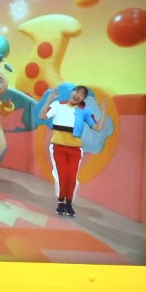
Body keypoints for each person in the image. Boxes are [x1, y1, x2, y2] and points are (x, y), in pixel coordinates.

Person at [40, 84, 102, 217]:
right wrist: (49, 99)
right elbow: (42, 116)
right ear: (72, 92)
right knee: (61, 177)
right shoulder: (57, 106)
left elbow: (97, 128)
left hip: (75, 150)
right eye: (77, 92)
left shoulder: (84, 111)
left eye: (82, 95)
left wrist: (105, 111)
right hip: (58, 147)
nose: (78, 95)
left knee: (72, 178)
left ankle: (69, 203)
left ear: (83, 99)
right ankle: (60, 202)